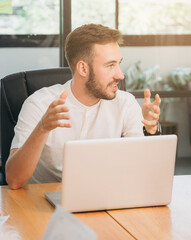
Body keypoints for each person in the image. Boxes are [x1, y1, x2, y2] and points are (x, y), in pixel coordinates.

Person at [5, 24, 161, 190]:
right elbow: (14, 180)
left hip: (102, 197)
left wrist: (150, 133)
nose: (120, 75)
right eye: (110, 65)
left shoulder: (125, 103)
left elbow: (142, 172)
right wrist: (42, 128)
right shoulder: (39, 103)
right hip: (40, 204)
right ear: (83, 68)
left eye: (118, 64)